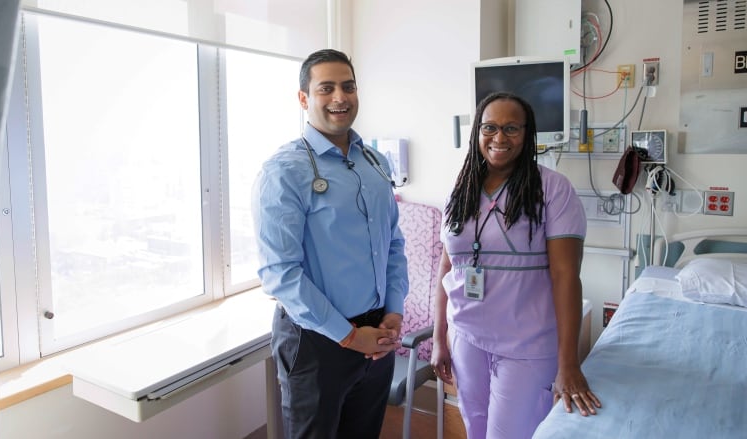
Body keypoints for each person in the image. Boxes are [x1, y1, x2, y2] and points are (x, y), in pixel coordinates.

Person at [251, 48, 409, 439]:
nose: (340, 97)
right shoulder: (284, 171)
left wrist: (393, 311)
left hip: (376, 337)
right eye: (327, 88)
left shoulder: (374, 163)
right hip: (317, 342)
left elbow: (393, 244)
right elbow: (280, 274)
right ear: (304, 99)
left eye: (348, 86)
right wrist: (350, 336)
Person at [430, 92, 601, 439]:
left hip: (526, 346)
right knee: (475, 428)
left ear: (528, 133)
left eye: (511, 128)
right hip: (466, 339)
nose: (499, 138)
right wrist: (439, 339)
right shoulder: (461, 189)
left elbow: (566, 275)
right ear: (477, 131)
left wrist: (569, 364)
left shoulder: (552, 189)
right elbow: (447, 269)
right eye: (489, 127)